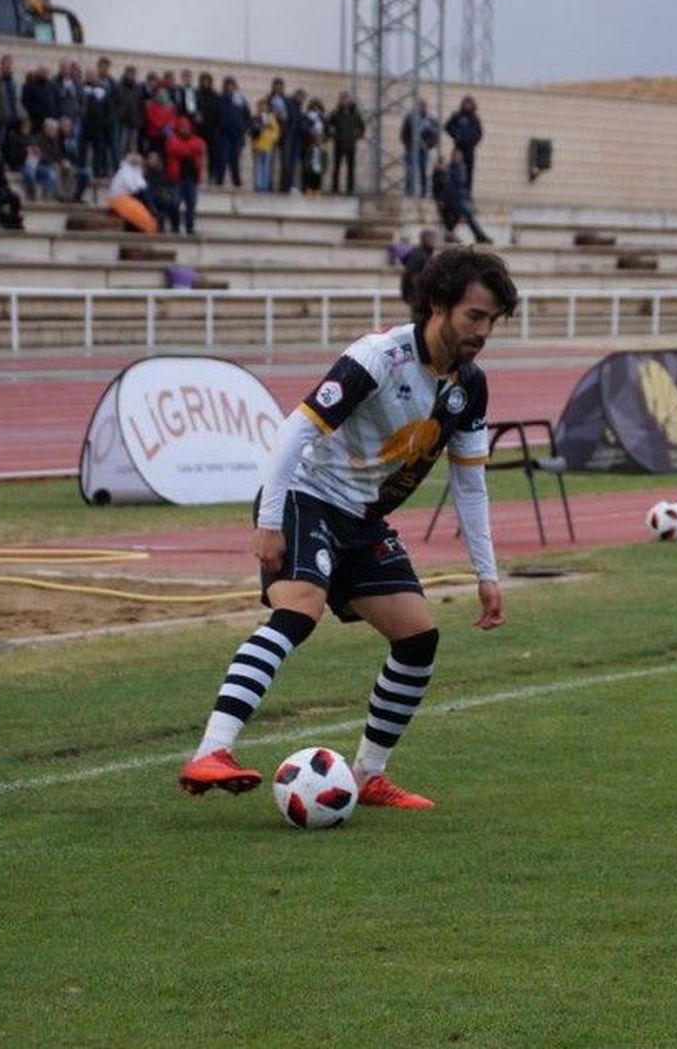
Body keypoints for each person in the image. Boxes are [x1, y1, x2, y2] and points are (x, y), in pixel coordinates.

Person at [178, 248, 519, 808]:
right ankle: (211, 751)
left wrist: (487, 573)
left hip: (361, 518)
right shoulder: (379, 357)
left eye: (492, 321)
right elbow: (294, 432)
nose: (483, 332)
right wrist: (269, 522)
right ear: (438, 306)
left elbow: (470, 484)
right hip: (303, 498)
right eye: (474, 317)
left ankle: (366, 775)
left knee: (418, 638)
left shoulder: (469, 386)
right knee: (298, 611)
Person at [164, 117, 205, 233]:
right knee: (174, 203)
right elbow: (175, 149)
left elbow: (199, 147)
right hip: (177, 178)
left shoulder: (197, 140)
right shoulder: (172, 140)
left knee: (191, 204)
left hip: (192, 178)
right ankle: (175, 226)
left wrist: (184, 150)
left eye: (186, 128)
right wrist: (189, 151)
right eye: (182, 128)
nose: (184, 130)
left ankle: (189, 227)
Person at [445, 147, 492, 244]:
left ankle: (451, 234)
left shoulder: (461, 168)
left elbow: (463, 185)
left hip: (459, 198)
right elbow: (449, 186)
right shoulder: (451, 169)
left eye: (458, 156)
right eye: (455, 155)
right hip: (453, 198)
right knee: (467, 215)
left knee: (461, 215)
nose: (456, 157)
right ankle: (480, 236)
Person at [445, 95, 482, 195]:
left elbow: (479, 133)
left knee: (469, 171)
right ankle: (455, 192)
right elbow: (447, 127)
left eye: (470, 103)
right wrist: (456, 135)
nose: (468, 105)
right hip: (459, 148)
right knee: (456, 169)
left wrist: (473, 141)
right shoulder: (457, 115)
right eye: (466, 103)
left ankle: (467, 193)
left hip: (469, 149)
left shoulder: (475, 118)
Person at [328, 91, 364, 196]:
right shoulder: (335, 113)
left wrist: (357, 135)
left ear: (349, 100)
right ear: (339, 100)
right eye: (342, 99)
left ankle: (350, 189)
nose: (344, 101)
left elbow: (362, 127)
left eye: (346, 98)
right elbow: (328, 125)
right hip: (339, 143)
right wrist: (332, 133)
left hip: (351, 144)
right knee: (337, 167)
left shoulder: (355, 114)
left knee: (351, 168)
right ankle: (335, 189)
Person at [400, 97, 437, 198]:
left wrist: (428, 145)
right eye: (420, 105)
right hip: (411, 148)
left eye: (424, 106)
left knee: (423, 171)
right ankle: (409, 192)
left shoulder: (430, 120)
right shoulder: (410, 118)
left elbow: (435, 136)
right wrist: (408, 144)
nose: (422, 108)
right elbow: (404, 132)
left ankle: (423, 193)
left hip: (423, 149)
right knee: (410, 171)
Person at [399, 227, 439, 306]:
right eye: (430, 239)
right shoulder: (418, 256)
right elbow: (411, 276)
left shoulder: (427, 255)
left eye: (434, 239)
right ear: (423, 240)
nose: (433, 242)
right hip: (417, 297)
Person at [250, 98, 279, 193]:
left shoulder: (271, 118)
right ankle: (258, 185)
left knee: (266, 167)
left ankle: (264, 186)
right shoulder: (255, 117)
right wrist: (258, 129)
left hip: (268, 145)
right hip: (257, 145)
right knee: (258, 166)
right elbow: (251, 131)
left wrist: (271, 138)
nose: (263, 108)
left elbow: (276, 131)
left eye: (265, 106)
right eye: (261, 106)